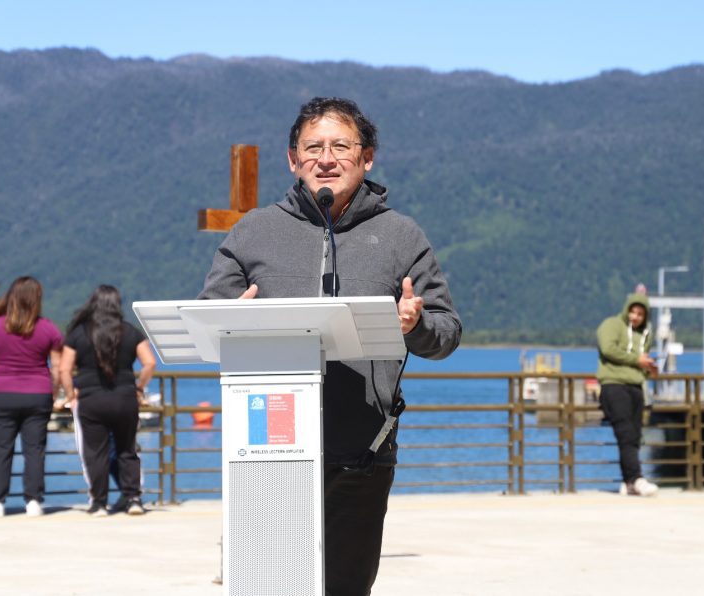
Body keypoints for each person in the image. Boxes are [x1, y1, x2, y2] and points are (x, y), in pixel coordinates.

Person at [198, 96, 461, 595]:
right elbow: (208, 318)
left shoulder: (401, 236)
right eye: (312, 146)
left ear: (367, 157)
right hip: (266, 451)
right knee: (267, 586)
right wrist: (235, 322)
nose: (326, 158)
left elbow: (447, 332)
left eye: (341, 146)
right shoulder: (253, 232)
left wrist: (415, 325)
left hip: (362, 451)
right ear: (292, 159)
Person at [59, 285, 156, 516]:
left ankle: (99, 503)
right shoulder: (130, 331)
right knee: (127, 449)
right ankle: (133, 498)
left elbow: (64, 369)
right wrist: (139, 388)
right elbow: (149, 363)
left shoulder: (79, 333)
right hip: (124, 399)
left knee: (96, 452)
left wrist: (71, 394)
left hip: (91, 401)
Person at [0, 276, 62, 517]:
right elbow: (56, 368)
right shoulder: (48, 328)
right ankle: (33, 501)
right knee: (34, 449)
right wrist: (53, 392)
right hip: (38, 394)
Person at [596, 292, 659, 497]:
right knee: (625, 432)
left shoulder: (646, 334)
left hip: (636, 386)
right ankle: (636, 478)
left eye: (640, 313)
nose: (635, 316)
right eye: (632, 311)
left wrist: (649, 368)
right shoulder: (611, 325)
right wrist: (636, 360)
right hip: (614, 384)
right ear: (626, 310)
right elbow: (608, 349)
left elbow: (641, 360)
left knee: (634, 435)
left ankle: (628, 481)